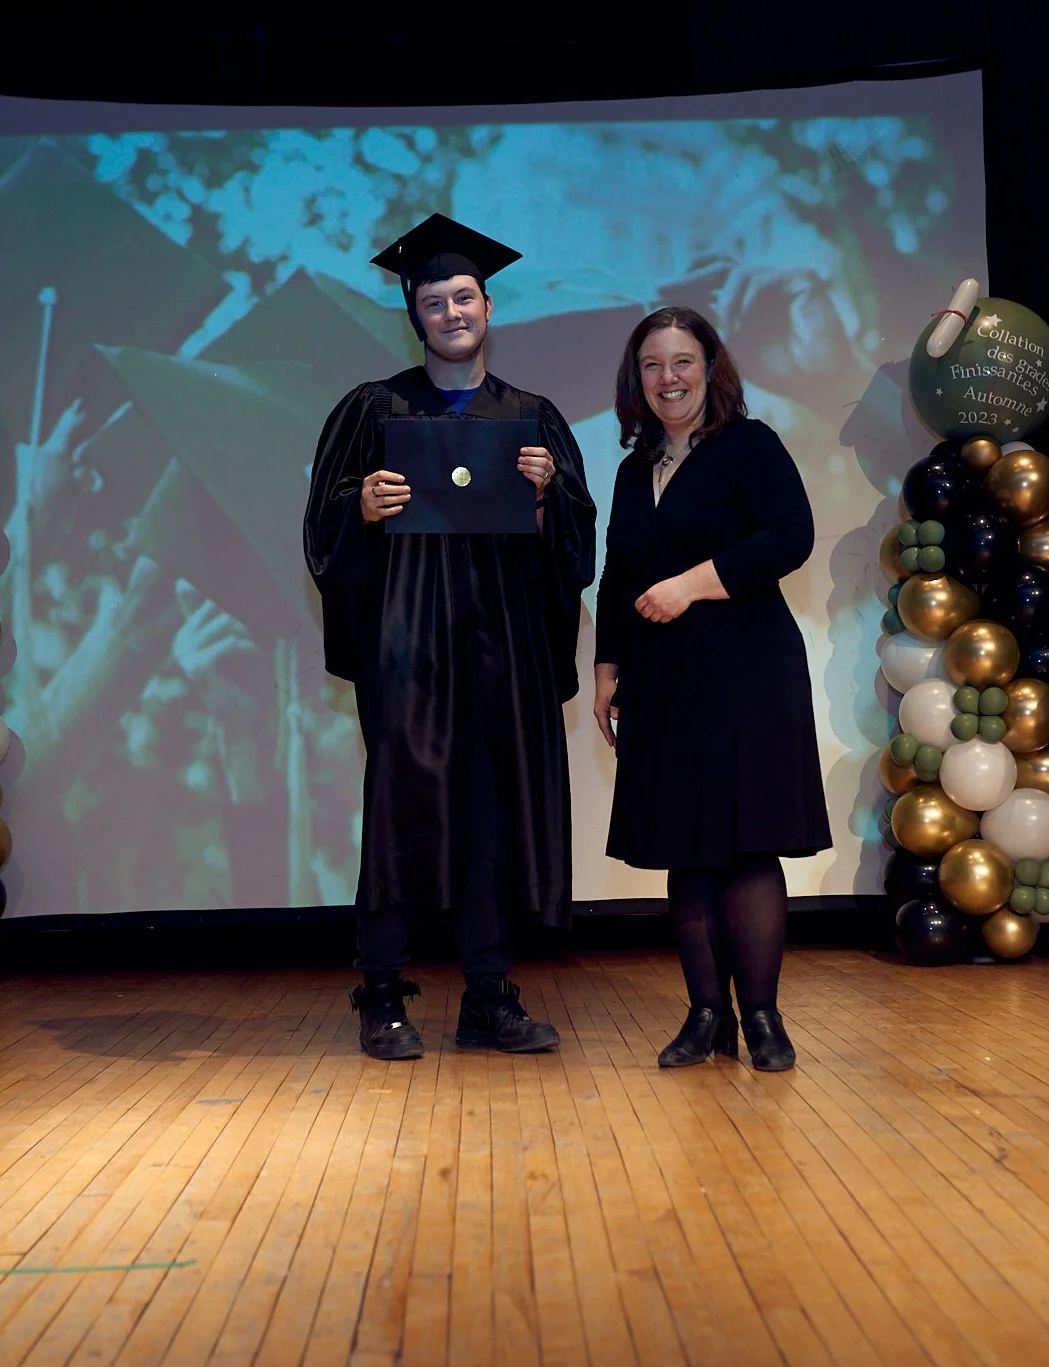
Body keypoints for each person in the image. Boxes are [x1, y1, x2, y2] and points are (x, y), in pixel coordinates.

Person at [304, 214, 598, 1059]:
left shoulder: (532, 419)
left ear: (488, 305)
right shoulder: (373, 412)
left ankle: (488, 995)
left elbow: (575, 550)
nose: (453, 312)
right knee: (400, 814)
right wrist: (360, 507)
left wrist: (546, 502)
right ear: (415, 315)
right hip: (409, 653)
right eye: (434, 302)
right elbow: (322, 532)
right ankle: (383, 991)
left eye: (464, 296)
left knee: (489, 819)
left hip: (501, 653)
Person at [591, 306, 831, 1071]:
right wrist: (604, 669)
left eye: (682, 361)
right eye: (653, 365)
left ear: (710, 368)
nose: (669, 378)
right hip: (662, 678)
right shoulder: (634, 469)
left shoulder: (750, 446)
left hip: (749, 671)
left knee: (748, 844)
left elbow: (790, 536)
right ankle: (705, 1017)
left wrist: (693, 585)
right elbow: (620, 574)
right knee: (684, 850)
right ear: (638, 379)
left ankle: (762, 1018)